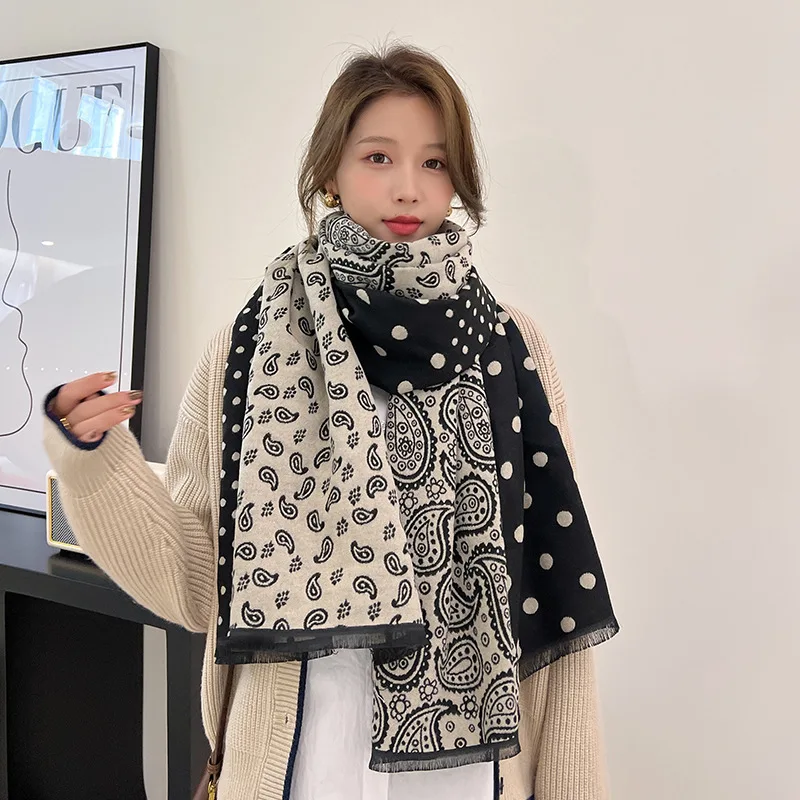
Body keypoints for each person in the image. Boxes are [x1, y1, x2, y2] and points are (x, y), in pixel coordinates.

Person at [43, 44, 618, 800]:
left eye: (435, 163)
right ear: (329, 174)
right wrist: (93, 464)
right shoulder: (250, 348)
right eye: (378, 157)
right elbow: (193, 586)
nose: (408, 187)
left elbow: (555, 595)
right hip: (299, 766)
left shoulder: (510, 348)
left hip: (472, 774)